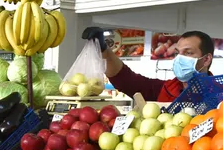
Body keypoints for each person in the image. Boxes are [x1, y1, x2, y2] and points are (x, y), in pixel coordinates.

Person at [82, 28, 215, 102]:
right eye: (177, 53)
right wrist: (103, 49)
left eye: (188, 53)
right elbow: (125, 80)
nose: (180, 58)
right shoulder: (164, 89)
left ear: (206, 59)